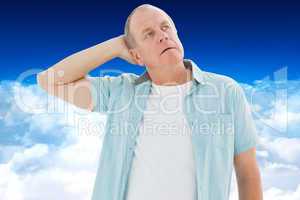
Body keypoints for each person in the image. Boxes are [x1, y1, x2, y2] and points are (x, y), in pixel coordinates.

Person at [37, 4, 263, 200]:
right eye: (149, 34)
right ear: (136, 56)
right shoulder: (120, 92)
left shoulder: (225, 91)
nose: (163, 36)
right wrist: (115, 46)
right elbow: (49, 80)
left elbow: (247, 171)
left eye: (166, 27)